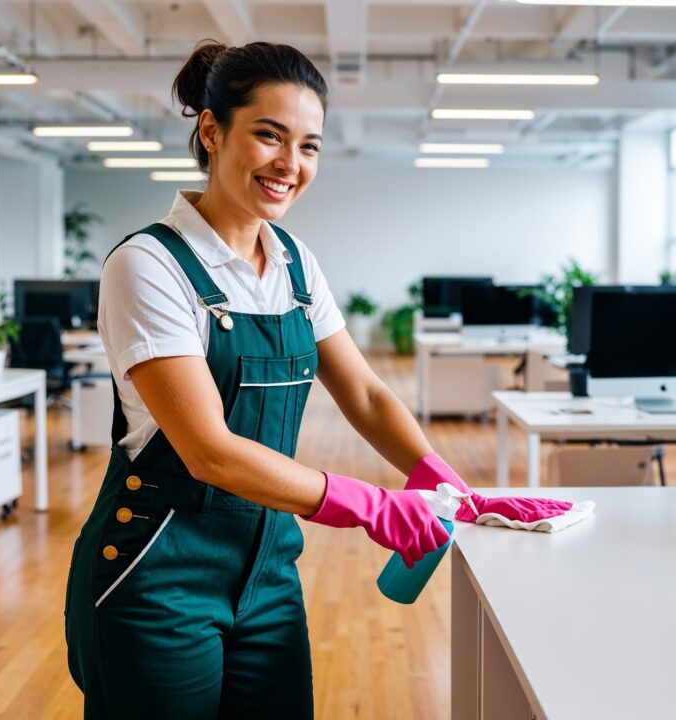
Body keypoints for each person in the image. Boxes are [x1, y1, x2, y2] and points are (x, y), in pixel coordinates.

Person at [63, 41, 572, 719]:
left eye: (309, 146)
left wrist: (441, 481)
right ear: (211, 131)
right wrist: (370, 504)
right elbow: (206, 449)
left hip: (270, 571)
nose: (290, 165)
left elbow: (363, 394)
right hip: (159, 573)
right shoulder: (149, 265)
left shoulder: (295, 265)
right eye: (268, 136)